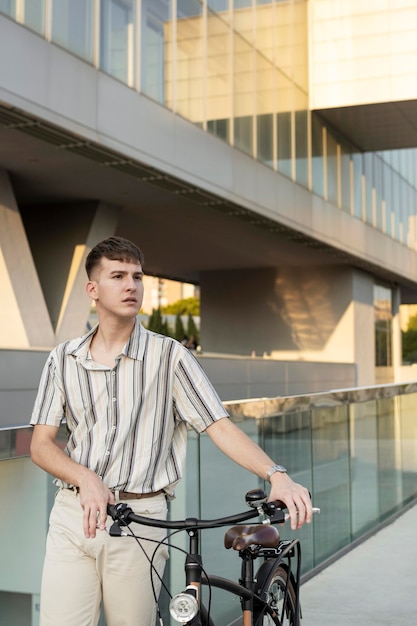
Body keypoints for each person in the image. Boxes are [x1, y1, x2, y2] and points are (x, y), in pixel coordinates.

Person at [30, 236, 312, 626]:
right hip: (72, 514)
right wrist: (85, 477)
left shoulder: (170, 356)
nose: (131, 285)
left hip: (142, 520)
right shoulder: (63, 359)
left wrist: (275, 474)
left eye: (137, 276)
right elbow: (40, 445)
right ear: (92, 290)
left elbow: (219, 426)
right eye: (118, 276)